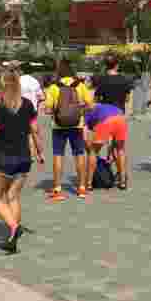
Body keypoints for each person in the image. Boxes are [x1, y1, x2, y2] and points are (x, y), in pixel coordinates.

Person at [0, 68, 45, 254]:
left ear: (0, 85)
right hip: (24, 157)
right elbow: (35, 129)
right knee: (13, 196)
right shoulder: (27, 104)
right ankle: (12, 237)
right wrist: (40, 151)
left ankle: (13, 227)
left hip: (4, 157)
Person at [44, 59, 94, 199]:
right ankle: (82, 188)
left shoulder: (54, 87)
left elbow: (47, 109)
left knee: (58, 155)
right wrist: (80, 110)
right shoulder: (80, 85)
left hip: (58, 126)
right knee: (79, 154)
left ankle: (57, 188)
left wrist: (56, 111)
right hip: (77, 125)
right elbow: (91, 106)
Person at [85, 100, 129, 190]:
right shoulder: (103, 106)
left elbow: (85, 135)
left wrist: (89, 149)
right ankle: (122, 181)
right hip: (121, 119)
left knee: (93, 152)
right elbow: (111, 139)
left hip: (106, 120)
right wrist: (109, 153)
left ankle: (89, 183)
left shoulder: (87, 113)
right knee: (120, 149)